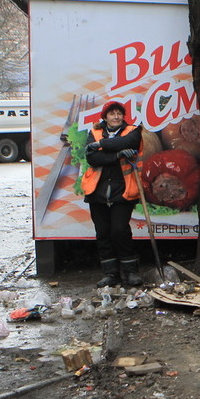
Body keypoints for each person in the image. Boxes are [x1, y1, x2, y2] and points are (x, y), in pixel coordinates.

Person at [83, 101, 144, 288]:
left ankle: (130, 271)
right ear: (105, 117)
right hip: (97, 191)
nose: (116, 117)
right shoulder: (92, 132)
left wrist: (101, 145)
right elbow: (92, 157)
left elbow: (127, 143)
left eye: (119, 113)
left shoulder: (133, 131)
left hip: (124, 189)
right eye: (112, 114)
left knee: (119, 230)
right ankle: (110, 274)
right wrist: (117, 156)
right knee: (103, 232)